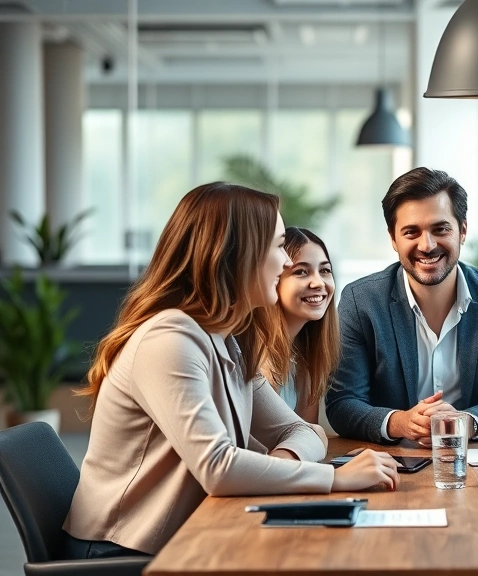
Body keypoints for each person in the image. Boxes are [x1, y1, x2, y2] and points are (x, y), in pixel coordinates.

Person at [63, 183, 399, 558]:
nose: (286, 263)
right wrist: (335, 478)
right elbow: (219, 467)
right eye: (277, 247)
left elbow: (302, 430)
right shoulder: (170, 339)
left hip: (188, 535)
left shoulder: (227, 341)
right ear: (236, 255)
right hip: (124, 549)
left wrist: (282, 462)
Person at [325, 167, 478, 444]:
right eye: (411, 232)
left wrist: (466, 424)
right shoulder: (361, 300)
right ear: (393, 239)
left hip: (474, 458)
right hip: (392, 464)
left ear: (462, 230)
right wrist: (401, 422)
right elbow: (343, 402)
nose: (427, 245)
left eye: (440, 229)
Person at [260, 227, 338, 424]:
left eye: (325, 270)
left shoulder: (306, 358)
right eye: (301, 272)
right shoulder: (254, 358)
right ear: (274, 280)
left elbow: (310, 434)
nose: (318, 283)